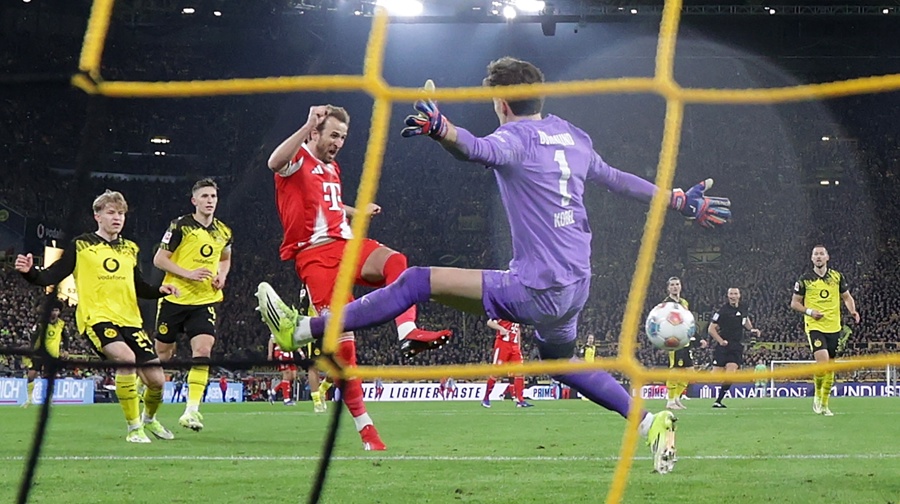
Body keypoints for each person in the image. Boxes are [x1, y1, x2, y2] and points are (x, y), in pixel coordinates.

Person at [257, 57, 731, 474]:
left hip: (536, 288)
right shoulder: (573, 135)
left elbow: (476, 149)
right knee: (560, 363)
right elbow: (616, 179)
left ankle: (302, 331)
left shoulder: (515, 138)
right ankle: (650, 421)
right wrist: (676, 200)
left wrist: (439, 127)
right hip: (576, 284)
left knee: (417, 279)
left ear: (502, 103)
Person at [263, 104, 453, 451]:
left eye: (343, 137)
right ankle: (367, 430)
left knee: (398, 263)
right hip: (315, 257)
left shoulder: (332, 169)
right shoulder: (297, 160)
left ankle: (408, 332)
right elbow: (273, 163)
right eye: (333, 135)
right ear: (316, 133)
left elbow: (330, 204)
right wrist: (306, 124)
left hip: (346, 245)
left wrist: (356, 211)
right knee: (345, 348)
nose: (338, 142)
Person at [16, 190, 179, 443]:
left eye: (121, 213)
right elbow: (51, 275)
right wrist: (30, 273)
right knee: (126, 359)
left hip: (131, 320)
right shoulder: (81, 245)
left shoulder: (130, 248)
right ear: (97, 216)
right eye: (111, 212)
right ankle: (133, 428)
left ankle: (149, 420)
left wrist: (160, 290)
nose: (117, 218)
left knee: (157, 381)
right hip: (97, 318)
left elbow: (139, 286)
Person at [152, 178, 233, 432]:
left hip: (204, 300)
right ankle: (147, 411)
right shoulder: (180, 226)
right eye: (205, 197)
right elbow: (159, 260)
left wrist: (222, 275)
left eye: (213, 197)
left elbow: (225, 257)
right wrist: (187, 274)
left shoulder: (224, 231)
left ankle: (191, 411)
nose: (210, 201)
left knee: (204, 349)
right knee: (163, 355)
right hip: (174, 298)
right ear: (194, 201)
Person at [790, 245, 859, 416]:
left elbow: (847, 297)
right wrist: (810, 312)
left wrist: (852, 310)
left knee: (830, 367)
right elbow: (794, 303)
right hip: (814, 326)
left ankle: (825, 404)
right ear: (812, 258)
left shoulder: (837, 277)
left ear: (827, 257)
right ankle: (817, 397)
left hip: (834, 327)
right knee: (823, 362)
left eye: (821, 254)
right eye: (816, 254)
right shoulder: (804, 280)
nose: (819, 257)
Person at [708, 287, 761, 408]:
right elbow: (711, 329)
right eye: (731, 294)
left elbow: (745, 319)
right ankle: (685, 385)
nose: (733, 296)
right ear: (728, 296)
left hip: (736, 346)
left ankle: (718, 401)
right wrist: (721, 341)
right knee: (714, 375)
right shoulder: (722, 311)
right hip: (723, 346)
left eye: (735, 293)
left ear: (739, 295)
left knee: (730, 373)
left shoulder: (743, 308)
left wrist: (751, 329)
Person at [661, 277, 706, 410]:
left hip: (686, 341)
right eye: (672, 285)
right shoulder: (666, 305)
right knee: (675, 371)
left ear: (681, 286)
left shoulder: (684, 303)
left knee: (689, 373)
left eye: (677, 284)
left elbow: (688, 322)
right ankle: (670, 400)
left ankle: (676, 398)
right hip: (674, 342)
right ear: (668, 288)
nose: (675, 287)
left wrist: (699, 339)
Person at [21, 297, 69, 408]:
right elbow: (33, 337)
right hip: (39, 353)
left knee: (49, 378)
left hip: (53, 355)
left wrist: (65, 349)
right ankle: (29, 399)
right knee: (31, 375)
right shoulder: (41, 322)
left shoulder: (62, 324)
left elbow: (66, 338)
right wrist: (32, 350)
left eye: (57, 310)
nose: (55, 313)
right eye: (53, 310)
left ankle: (49, 400)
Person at [481, 319, 533, 408]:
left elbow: (517, 330)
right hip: (503, 345)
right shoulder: (502, 311)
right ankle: (486, 398)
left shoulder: (516, 314)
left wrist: (518, 346)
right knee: (496, 373)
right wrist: (501, 328)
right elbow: (489, 322)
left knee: (520, 372)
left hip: (514, 347)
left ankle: (520, 400)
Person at [267, 334, 297, 406]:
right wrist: (270, 354)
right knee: (287, 374)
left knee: (293, 376)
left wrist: (300, 351)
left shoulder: (291, 328)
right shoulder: (278, 328)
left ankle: (273, 391)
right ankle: (286, 399)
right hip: (281, 353)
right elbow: (271, 340)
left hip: (289, 353)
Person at [579, 334, 596, 401]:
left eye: (592, 338)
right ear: (587, 339)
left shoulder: (594, 347)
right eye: (590, 338)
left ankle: (589, 396)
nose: (591, 340)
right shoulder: (584, 347)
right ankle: (584, 395)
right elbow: (581, 357)